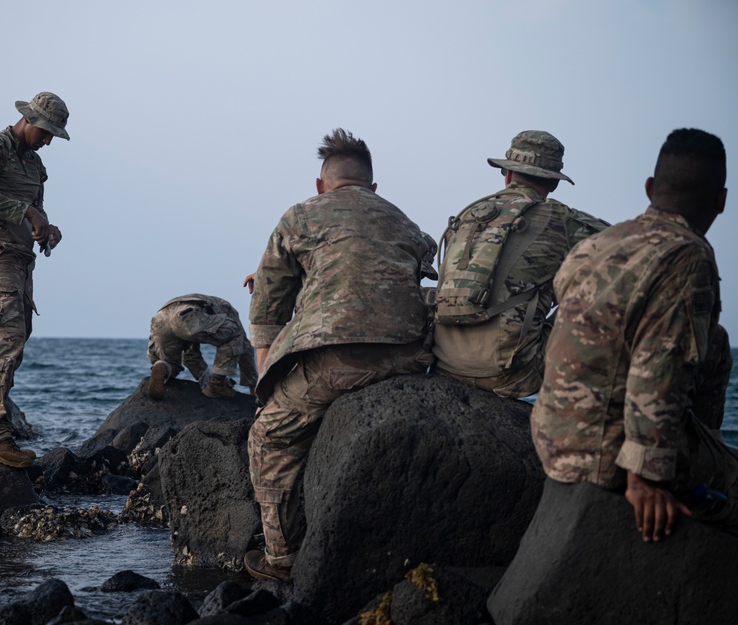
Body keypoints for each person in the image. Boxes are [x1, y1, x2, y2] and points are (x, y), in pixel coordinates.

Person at [243, 129, 432, 582]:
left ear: (320, 185)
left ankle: (281, 560)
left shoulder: (301, 216)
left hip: (335, 361)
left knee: (270, 439)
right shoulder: (406, 223)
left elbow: (268, 307)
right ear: (373, 188)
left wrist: (265, 381)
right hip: (408, 357)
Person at [531, 128, 737, 543]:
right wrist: (646, 479)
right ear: (721, 200)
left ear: (649, 188)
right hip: (603, 456)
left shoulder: (598, 244)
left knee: (715, 341)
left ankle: (699, 446)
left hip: (549, 434)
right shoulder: (687, 256)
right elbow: (658, 368)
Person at [432, 131, 607, 398]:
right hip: (514, 377)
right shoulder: (563, 220)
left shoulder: (470, 213)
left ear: (508, 174)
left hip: (445, 364)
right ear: (554, 185)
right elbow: (626, 252)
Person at [0, 91, 69, 469]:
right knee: (3, 343)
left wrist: (46, 227)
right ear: (29, 120)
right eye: (46, 132)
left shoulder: (35, 165)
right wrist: (25, 211)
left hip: (22, 261)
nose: (48, 140)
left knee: (13, 347)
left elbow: (35, 210)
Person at [147, 294, 257, 400]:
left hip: (160, 318)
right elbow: (245, 347)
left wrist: (206, 381)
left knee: (171, 362)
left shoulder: (203, 308)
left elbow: (191, 357)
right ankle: (217, 384)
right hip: (188, 316)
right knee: (236, 332)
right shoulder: (228, 310)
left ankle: (162, 366)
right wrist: (253, 386)